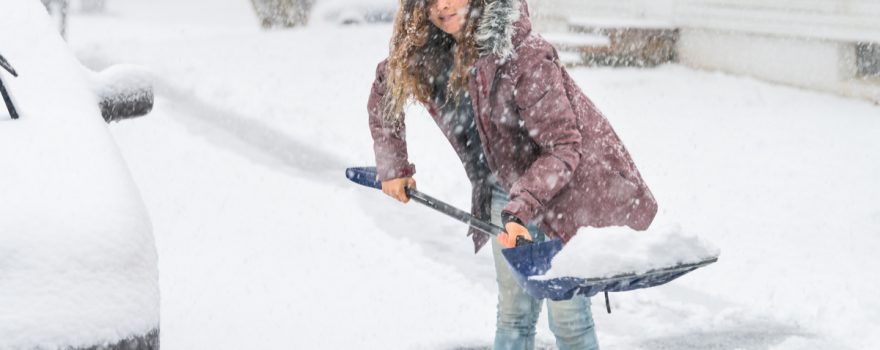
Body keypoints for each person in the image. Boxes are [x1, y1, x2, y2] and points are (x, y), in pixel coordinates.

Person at [367, 0, 658, 348]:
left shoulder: (525, 56)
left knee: (569, 319)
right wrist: (393, 167)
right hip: (504, 193)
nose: (442, 5)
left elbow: (563, 147)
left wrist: (520, 210)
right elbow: (386, 87)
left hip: (560, 195)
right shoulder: (432, 54)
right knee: (514, 313)